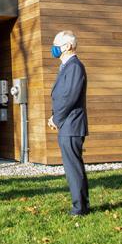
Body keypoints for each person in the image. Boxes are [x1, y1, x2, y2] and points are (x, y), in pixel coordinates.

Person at [47, 30, 90, 216]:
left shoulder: (74, 67)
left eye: (57, 44)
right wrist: (54, 116)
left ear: (67, 46)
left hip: (71, 125)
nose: (54, 47)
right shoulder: (67, 66)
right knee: (72, 166)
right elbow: (61, 96)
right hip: (67, 124)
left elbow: (69, 96)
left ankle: (79, 208)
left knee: (73, 168)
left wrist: (56, 118)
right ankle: (81, 205)